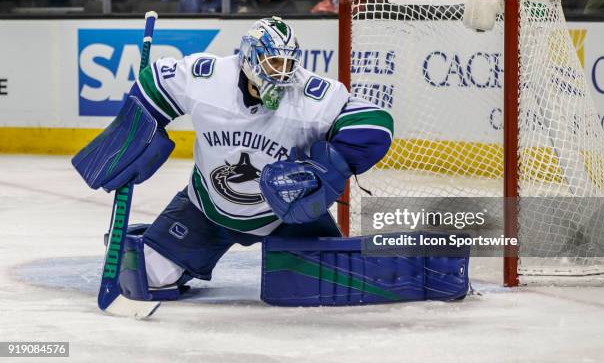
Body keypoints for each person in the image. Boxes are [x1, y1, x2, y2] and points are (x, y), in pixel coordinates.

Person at [72, 16, 393, 304]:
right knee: (147, 278)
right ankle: (167, 246)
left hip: (288, 217)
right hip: (206, 209)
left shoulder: (309, 96)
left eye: (288, 64)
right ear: (249, 58)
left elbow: (374, 124)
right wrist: (134, 130)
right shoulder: (208, 80)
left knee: (325, 290)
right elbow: (154, 81)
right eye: (272, 63)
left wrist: (327, 170)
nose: (282, 73)